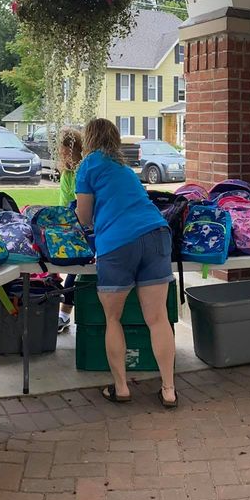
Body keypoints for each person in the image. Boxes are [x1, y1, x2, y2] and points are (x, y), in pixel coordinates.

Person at [72, 118, 179, 407]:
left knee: (112, 319)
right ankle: (169, 390)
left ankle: (121, 388)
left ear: (89, 139)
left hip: (118, 243)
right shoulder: (124, 168)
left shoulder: (88, 165)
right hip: (156, 234)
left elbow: (84, 217)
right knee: (158, 318)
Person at [54, 127, 85, 333]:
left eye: (65, 151)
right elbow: (65, 204)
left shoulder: (83, 171)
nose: (63, 155)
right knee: (74, 268)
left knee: (75, 270)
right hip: (76, 226)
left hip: (88, 226)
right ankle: (64, 314)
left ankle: (64, 314)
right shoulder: (68, 174)